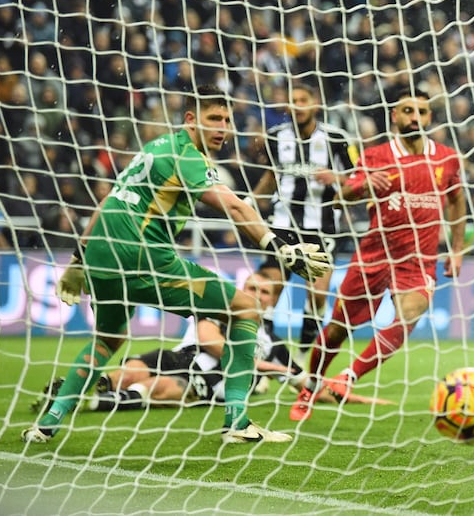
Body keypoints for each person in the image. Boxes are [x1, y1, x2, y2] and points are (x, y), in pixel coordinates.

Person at [22, 84, 331, 446]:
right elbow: (233, 207)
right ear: (190, 119)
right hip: (143, 256)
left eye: (227, 120)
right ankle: (238, 422)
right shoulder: (188, 155)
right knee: (246, 310)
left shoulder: (153, 148)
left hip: (102, 259)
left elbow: (108, 199)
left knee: (108, 338)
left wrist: (78, 261)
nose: (223, 128)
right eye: (213, 118)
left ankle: (48, 422)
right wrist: (279, 248)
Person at [289, 87, 467, 421]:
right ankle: (311, 386)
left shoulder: (445, 157)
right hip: (374, 256)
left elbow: (457, 200)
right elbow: (343, 196)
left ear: (430, 117)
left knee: (408, 317)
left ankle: (347, 378)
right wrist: (367, 185)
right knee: (338, 330)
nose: (415, 118)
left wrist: (457, 249)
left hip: (417, 263)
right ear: (394, 116)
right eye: (407, 111)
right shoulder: (376, 156)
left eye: (422, 112)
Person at [74, 272, 392, 411]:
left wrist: (360, 399)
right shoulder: (218, 310)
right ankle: (75, 390)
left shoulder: (275, 345)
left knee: (162, 387)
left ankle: (94, 403)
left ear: (271, 302)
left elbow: (308, 385)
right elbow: (211, 342)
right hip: (180, 356)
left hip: (211, 380)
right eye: (251, 288)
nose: (256, 294)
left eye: (264, 292)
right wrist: (264, 368)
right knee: (130, 370)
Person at [250, 83, 357, 361]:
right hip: (282, 224)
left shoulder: (337, 138)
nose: (297, 105)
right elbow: (271, 175)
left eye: (302, 99)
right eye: (292, 100)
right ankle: (263, 357)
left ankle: (301, 354)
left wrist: (338, 178)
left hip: (321, 227)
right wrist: (250, 202)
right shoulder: (274, 137)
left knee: (318, 295)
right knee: (269, 290)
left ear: (315, 103)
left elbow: (358, 178)